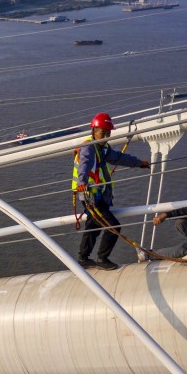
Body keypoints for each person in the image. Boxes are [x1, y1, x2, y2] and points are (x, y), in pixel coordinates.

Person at [73, 112, 150, 270]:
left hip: (96, 195)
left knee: (93, 226)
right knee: (113, 226)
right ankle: (102, 259)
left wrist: (138, 163)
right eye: (102, 132)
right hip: (90, 196)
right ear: (93, 131)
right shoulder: (88, 147)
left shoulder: (103, 148)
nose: (106, 135)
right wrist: (82, 182)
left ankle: (83, 258)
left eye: (108, 133)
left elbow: (119, 158)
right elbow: (85, 164)